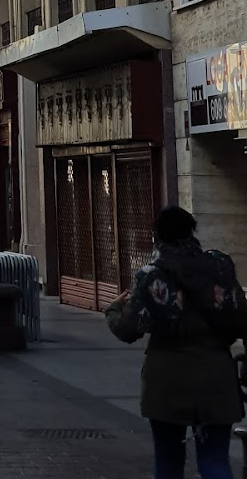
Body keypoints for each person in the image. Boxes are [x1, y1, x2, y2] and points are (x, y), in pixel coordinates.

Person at [106, 204, 247, 478]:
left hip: (167, 384)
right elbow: (241, 320)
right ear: (192, 231)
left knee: (169, 462)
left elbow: (128, 329)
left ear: (157, 235)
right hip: (216, 380)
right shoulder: (220, 267)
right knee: (215, 461)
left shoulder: (151, 276)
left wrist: (113, 309)